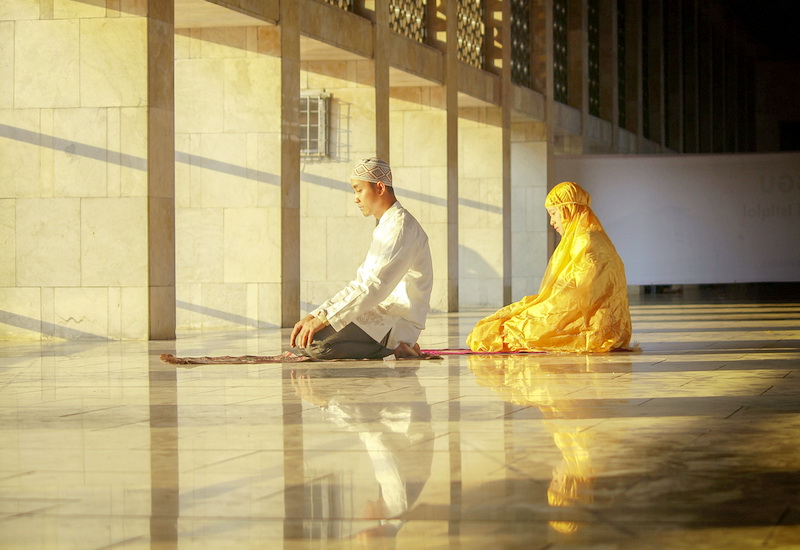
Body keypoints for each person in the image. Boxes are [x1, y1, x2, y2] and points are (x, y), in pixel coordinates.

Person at [291, 158, 434, 360]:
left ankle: (397, 348)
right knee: (308, 338)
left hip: (396, 320)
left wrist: (325, 319)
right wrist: (317, 314)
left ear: (380, 188)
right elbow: (360, 283)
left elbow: (375, 287)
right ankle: (391, 348)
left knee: (315, 346)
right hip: (377, 311)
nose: (355, 198)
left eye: (359, 190)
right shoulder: (387, 226)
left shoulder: (400, 228)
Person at [466, 181, 632, 353]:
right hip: (592, 319)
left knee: (491, 333)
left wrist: (542, 306)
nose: (552, 222)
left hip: (585, 321)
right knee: (498, 326)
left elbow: (580, 296)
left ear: (568, 210)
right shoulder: (587, 237)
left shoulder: (585, 241)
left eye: (554, 213)